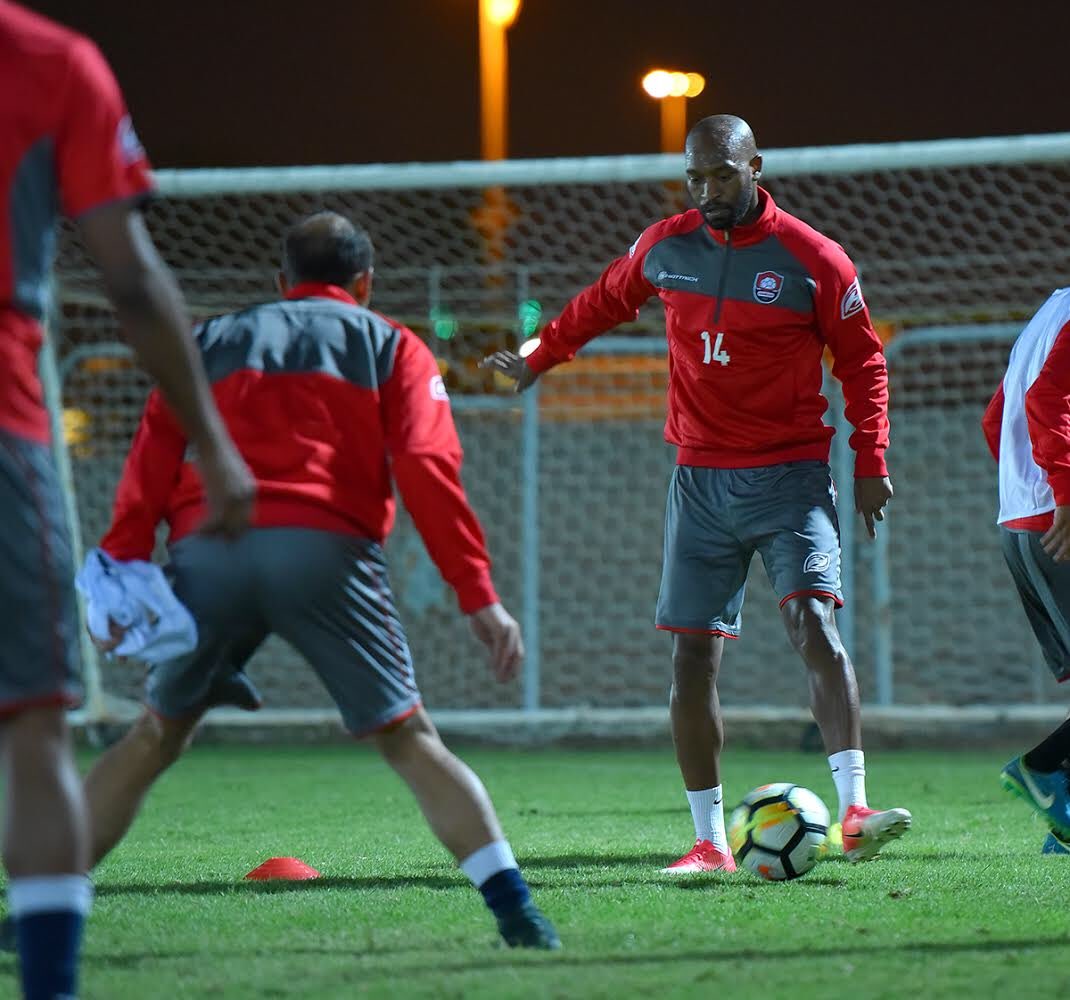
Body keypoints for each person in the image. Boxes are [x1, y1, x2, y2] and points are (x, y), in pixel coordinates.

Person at [78, 212, 561, 949]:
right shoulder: (392, 344)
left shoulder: (208, 339)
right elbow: (429, 472)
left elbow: (153, 451)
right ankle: (517, 914)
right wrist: (479, 598)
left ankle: (43, 910)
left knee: (152, 736)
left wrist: (125, 557)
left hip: (210, 550)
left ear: (281, 282)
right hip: (326, 554)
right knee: (410, 742)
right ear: (366, 284)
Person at [483, 114, 911, 873]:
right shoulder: (666, 245)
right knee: (690, 662)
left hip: (791, 476)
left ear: (755, 168)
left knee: (813, 623)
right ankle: (709, 842)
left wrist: (870, 459)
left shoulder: (814, 259)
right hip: (699, 482)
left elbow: (862, 364)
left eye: (721, 174)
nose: (707, 190)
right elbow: (601, 302)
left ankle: (853, 811)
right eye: (695, 177)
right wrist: (535, 358)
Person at [0, 3, 255, 996]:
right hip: (6, 423)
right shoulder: (51, 60)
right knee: (30, 726)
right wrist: (218, 446)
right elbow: (134, 281)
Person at [982, 288, 1070, 855]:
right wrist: (1062, 492)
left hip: (1032, 520)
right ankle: (1040, 769)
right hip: (1054, 522)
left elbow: (996, 420)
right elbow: (1046, 400)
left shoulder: (1051, 308)